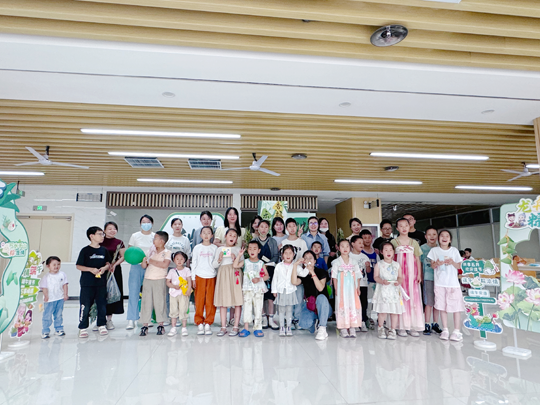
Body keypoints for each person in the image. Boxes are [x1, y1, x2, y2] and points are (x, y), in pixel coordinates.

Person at [428, 230, 464, 342]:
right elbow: (432, 266)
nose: (444, 238)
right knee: (442, 307)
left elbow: (459, 266)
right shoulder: (434, 251)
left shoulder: (454, 251)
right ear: (438, 239)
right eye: (442, 236)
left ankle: (456, 331)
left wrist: (452, 262)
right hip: (440, 283)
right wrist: (437, 263)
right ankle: (445, 330)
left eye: (447, 236)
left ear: (450, 239)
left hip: (453, 284)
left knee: (456, 308)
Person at [76, 226, 111, 338]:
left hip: (101, 283)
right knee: (85, 305)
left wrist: (105, 268)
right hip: (87, 283)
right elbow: (78, 266)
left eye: (102, 234)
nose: (102, 236)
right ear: (91, 236)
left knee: (102, 305)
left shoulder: (104, 250)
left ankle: (101, 325)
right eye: (99, 234)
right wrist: (90, 269)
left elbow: (108, 263)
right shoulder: (85, 250)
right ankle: (83, 327)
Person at [391, 218, 424, 337]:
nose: (404, 228)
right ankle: (401, 326)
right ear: (397, 228)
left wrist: (419, 274)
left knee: (413, 298)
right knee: (400, 298)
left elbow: (417, 259)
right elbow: (390, 258)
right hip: (399, 275)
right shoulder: (394, 242)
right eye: (401, 226)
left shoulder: (414, 242)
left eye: (406, 225)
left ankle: (413, 326)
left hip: (412, 275)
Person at [291, 250, 332, 341]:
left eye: (310, 258)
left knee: (321, 297)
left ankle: (322, 327)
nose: (308, 260)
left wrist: (312, 273)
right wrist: (295, 265)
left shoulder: (321, 272)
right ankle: (315, 322)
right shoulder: (303, 274)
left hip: (324, 307)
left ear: (314, 261)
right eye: (306, 258)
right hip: (311, 306)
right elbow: (294, 282)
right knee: (304, 323)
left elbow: (320, 288)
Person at [126, 214, 155, 330]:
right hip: (136, 266)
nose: (146, 224)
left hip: (151, 267)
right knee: (134, 292)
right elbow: (130, 251)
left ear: (152, 223)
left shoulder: (155, 236)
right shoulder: (135, 236)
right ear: (140, 224)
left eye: (148, 222)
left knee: (148, 293)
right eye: (143, 222)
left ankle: (147, 318)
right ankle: (131, 319)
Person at [139, 231, 171, 337]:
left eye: (155, 238)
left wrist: (151, 261)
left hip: (160, 279)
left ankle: (161, 325)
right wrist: (145, 261)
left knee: (160, 302)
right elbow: (144, 266)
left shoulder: (167, 252)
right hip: (148, 278)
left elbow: (164, 264)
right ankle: (145, 325)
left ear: (161, 241)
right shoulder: (150, 251)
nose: (153, 241)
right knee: (146, 302)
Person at [214, 229, 244, 337]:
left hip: (235, 274)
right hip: (223, 274)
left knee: (237, 299)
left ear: (236, 239)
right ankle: (223, 326)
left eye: (235, 236)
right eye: (230, 235)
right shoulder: (219, 249)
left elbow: (243, 264)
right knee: (223, 300)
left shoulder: (238, 249)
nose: (232, 237)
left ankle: (235, 326)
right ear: (225, 236)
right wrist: (219, 259)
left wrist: (236, 258)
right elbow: (214, 265)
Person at [332, 239, 363, 338]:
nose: (345, 248)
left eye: (347, 246)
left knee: (353, 304)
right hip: (342, 288)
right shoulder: (336, 262)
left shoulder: (354, 262)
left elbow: (358, 276)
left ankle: (353, 326)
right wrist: (336, 289)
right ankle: (343, 328)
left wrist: (358, 288)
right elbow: (334, 276)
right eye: (342, 246)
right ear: (338, 248)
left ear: (350, 248)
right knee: (342, 304)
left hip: (352, 288)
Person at [372, 242, 403, 340]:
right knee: (383, 311)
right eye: (386, 250)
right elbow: (376, 277)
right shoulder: (379, 264)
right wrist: (382, 281)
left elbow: (400, 277)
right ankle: (380, 328)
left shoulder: (397, 265)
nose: (388, 252)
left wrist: (399, 281)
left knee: (394, 312)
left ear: (394, 252)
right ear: (381, 252)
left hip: (394, 291)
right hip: (383, 291)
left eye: (390, 250)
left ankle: (392, 329)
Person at [239, 240, 269, 338]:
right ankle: (246, 328)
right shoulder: (245, 262)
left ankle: (258, 328)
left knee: (258, 308)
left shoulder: (261, 263)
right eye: (250, 248)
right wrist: (239, 255)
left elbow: (266, 276)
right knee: (246, 308)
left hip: (258, 290)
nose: (252, 251)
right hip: (247, 289)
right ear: (247, 250)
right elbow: (235, 265)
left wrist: (259, 279)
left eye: (255, 249)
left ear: (259, 250)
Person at [191, 226, 218, 335]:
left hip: (211, 276)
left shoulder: (215, 248)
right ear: (200, 235)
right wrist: (193, 278)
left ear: (212, 235)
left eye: (208, 233)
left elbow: (217, 263)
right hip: (199, 276)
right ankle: (199, 322)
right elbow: (193, 263)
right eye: (204, 233)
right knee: (199, 300)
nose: (206, 235)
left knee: (210, 301)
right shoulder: (197, 248)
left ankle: (208, 322)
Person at [254, 220, 279, 330]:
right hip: (258, 271)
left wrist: (268, 264)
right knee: (260, 294)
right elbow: (251, 255)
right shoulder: (254, 241)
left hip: (271, 271)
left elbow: (276, 256)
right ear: (258, 228)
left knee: (270, 295)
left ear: (268, 229)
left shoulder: (272, 241)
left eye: (266, 227)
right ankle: (263, 318)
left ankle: (271, 319)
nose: (263, 229)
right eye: (261, 226)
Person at [101, 221, 125, 330]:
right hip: (101, 270)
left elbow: (123, 256)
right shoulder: (100, 241)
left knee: (112, 294)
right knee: (101, 294)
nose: (112, 231)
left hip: (114, 271)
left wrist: (114, 264)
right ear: (104, 230)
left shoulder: (119, 242)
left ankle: (109, 320)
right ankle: (100, 320)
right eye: (109, 229)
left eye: (114, 229)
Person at [272, 245, 299, 337]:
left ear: (294, 254)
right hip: (281, 290)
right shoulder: (279, 266)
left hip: (290, 290)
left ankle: (289, 327)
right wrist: (274, 290)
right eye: (286, 253)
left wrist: (308, 267)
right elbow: (275, 279)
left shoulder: (295, 266)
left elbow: (302, 273)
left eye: (290, 253)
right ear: (282, 255)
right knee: (281, 310)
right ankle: (282, 327)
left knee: (289, 310)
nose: (288, 255)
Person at [40, 256, 68, 339]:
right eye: (54, 264)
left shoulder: (62, 274)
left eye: (58, 264)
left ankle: (58, 329)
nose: (56, 266)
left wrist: (65, 294)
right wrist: (46, 296)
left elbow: (65, 285)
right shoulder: (46, 277)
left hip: (59, 298)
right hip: (50, 299)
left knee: (58, 315)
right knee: (47, 315)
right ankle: (45, 331)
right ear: (48, 266)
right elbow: (44, 287)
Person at [421, 226, 442, 336]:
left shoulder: (441, 249)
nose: (432, 236)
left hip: (440, 280)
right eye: (429, 234)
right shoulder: (422, 248)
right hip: (428, 278)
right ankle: (427, 324)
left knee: (437, 303)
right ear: (425, 236)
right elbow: (420, 265)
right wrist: (421, 277)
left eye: (434, 234)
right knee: (428, 303)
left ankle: (435, 323)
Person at [166, 252, 192, 337]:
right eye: (177, 259)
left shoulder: (187, 270)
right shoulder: (172, 271)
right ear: (174, 260)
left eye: (181, 259)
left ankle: (184, 327)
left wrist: (189, 289)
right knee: (173, 310)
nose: (179, 261)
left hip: (183, 294)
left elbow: (189, 280)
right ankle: (173, 328)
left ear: (185, 260)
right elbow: (168, 282)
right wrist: (173, 286)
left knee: (183, 309)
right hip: (173, 294)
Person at [350, 235, 370, 332]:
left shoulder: (364, 256)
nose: (362, 244)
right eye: (359, 243)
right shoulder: (349, 256)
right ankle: (354, 322)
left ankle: (362, 321)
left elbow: (368, 271)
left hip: (363, 284)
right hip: (352, 284)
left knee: (363, 303)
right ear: (353, 244)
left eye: (362, 243)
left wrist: (368, 266)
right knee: (353, 303)